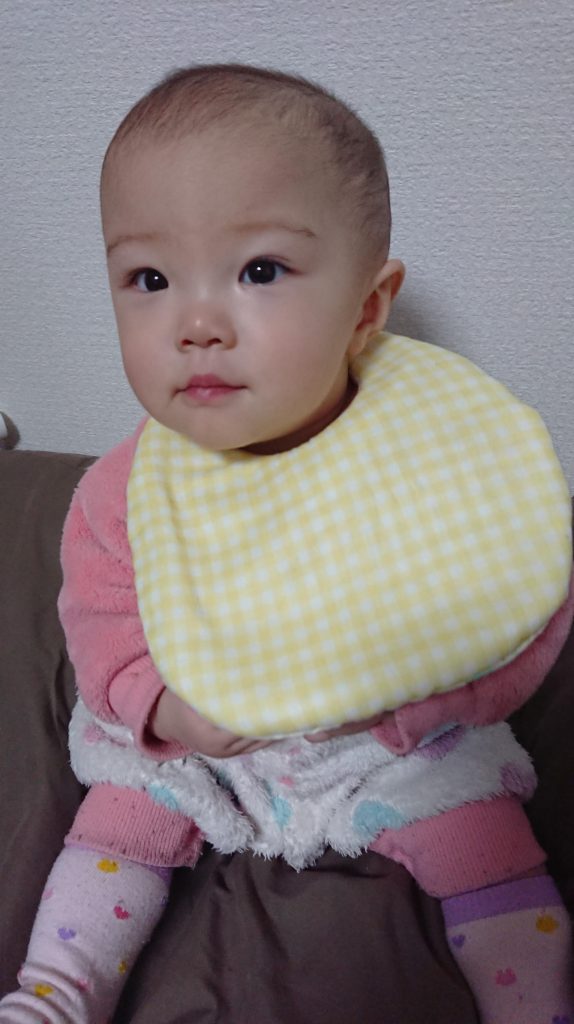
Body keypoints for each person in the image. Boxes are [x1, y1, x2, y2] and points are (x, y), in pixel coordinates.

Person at [1, 63, 572, 1024]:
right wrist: (165, 710)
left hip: (381, 742)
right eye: (149, 279)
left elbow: (512, 594)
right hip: (200, 742)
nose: (196, 325)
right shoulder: (130, 487)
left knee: (484, 833)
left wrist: (421, 710)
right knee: (119, 812)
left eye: (259, 271)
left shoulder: (425, 456)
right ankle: (54, 994)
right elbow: (99, 619)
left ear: (368, 307)